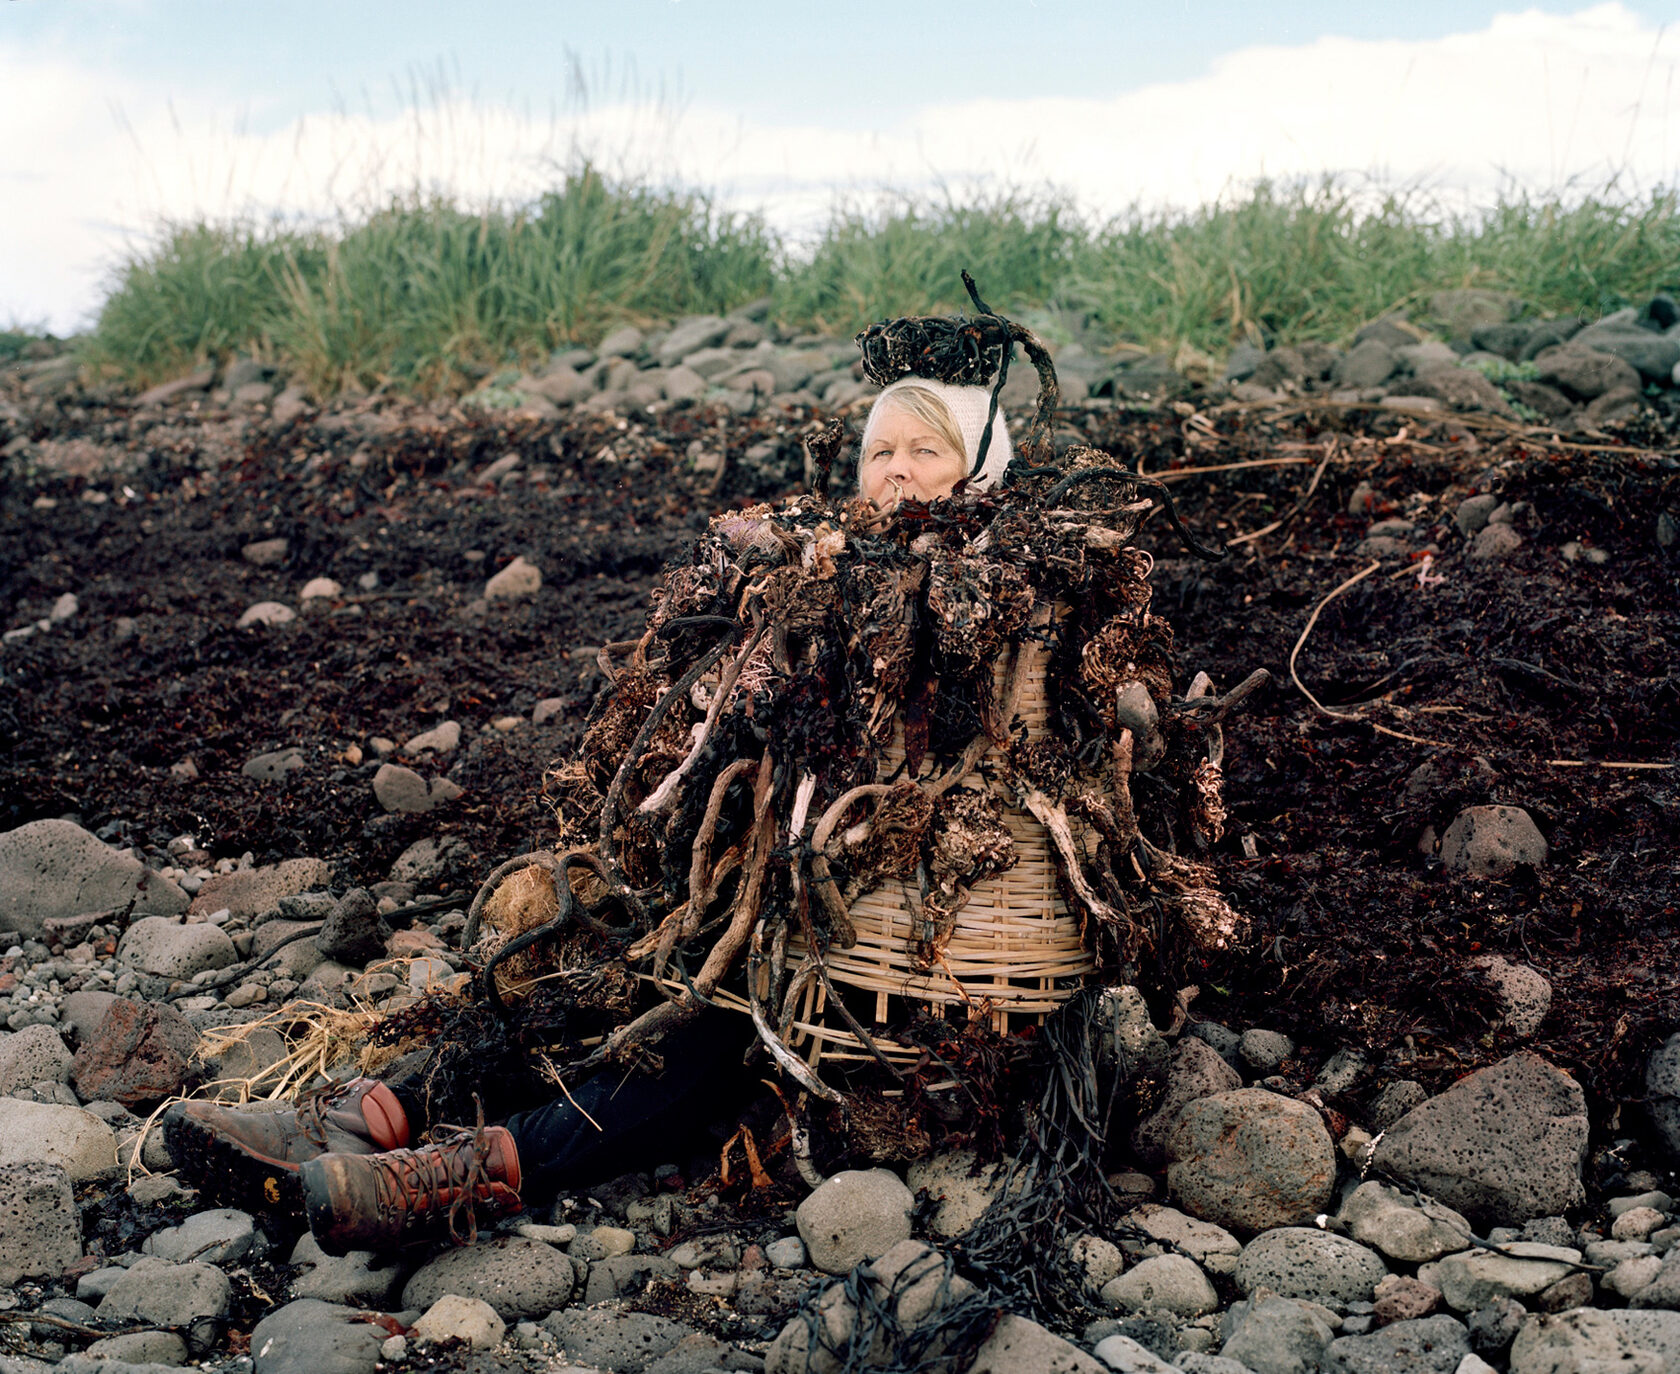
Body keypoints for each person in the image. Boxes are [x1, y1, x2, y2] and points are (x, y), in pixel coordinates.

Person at [163, 381, 1014, 1255]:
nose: (897, 472)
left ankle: (461, 1175)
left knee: (703, 1035)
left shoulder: (1008, 598)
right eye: (880, 452)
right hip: (747, 908)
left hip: (881, 971)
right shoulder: (821, 571)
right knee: (595, 966)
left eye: (926, 451)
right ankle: (373, 1116)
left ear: (980, 469)